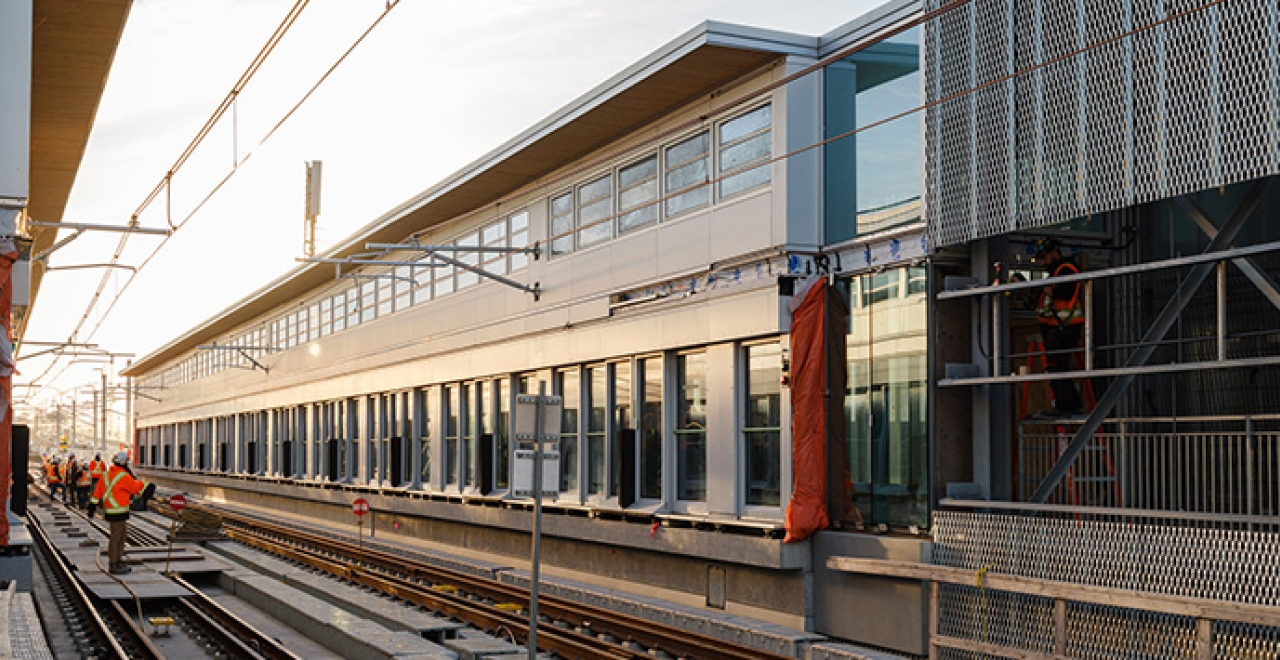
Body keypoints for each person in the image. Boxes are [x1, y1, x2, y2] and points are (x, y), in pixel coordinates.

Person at [1030, 237, 1085, 417]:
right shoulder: (1056, 273)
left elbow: (1064, 292)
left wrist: (1047, 290)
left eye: (1045, 257)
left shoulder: (1066, 269)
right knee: (1056, 367)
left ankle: (1067, 405)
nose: (1043, 262)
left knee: (1057, 366)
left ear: (1055, 252)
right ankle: (1067, 404)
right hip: (1057, 327)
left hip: (1064, 328)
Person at [88, 451, 148, 574]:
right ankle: (114, 563)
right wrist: (144, 483)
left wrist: (92, 507)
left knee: (121, 536)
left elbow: (97, 492)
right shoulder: (123, 476)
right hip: (119, 511)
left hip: (111, 510)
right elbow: (136, 489)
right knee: (116, 538)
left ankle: (117, 560)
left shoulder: (105, 475)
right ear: (123, 462)